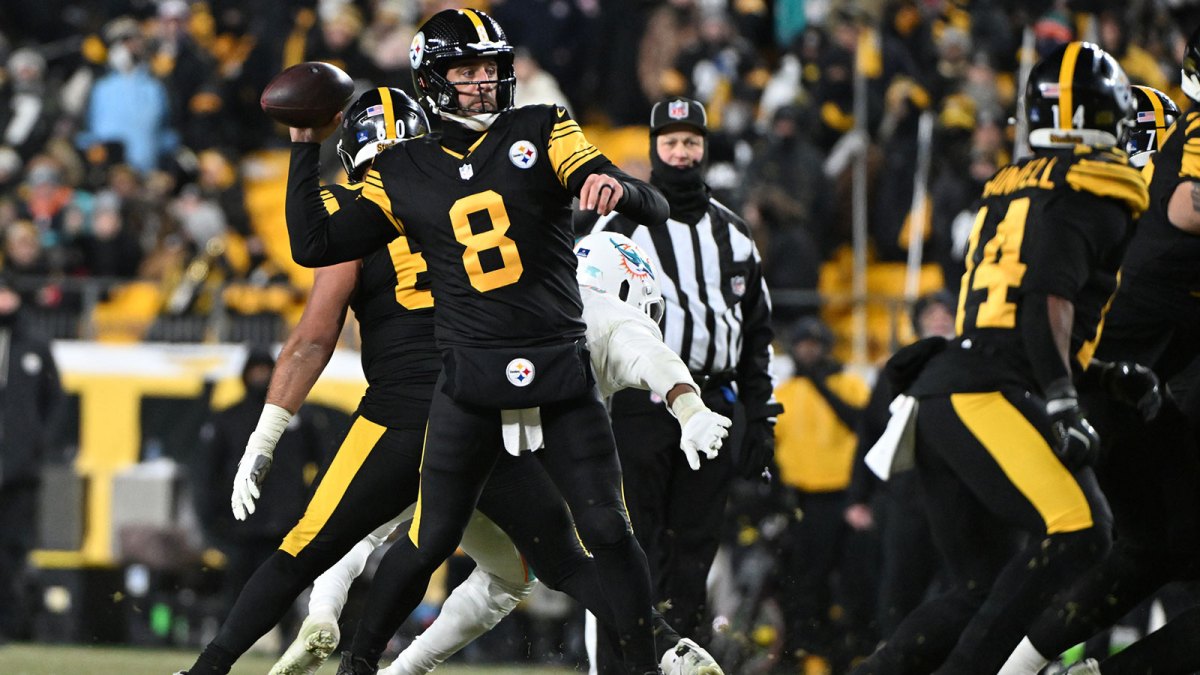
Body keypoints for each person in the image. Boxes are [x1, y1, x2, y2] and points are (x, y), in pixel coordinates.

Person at [180, 87, 719, 675]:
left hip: (403, 410)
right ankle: (666, 645)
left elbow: (313, 336)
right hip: (479, 401)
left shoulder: (361, 206)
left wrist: (265, 435)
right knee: (563, 558)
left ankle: (224, 667)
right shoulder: (465, 186)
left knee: (312, 549)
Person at [284, 10, 673, 673]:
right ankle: (359, 664)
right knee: (430, 537)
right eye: (466, 70)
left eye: (491, 68)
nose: (484, 81)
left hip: (557, 370)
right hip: (470, 379)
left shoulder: (542, 127)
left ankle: (647, 663)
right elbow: (316, 243)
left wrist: (622, 190)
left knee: (606, 527)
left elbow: (647, 201)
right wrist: (302, 145)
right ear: (433, 79)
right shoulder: (402, 167)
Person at [265, 230, 729, 675]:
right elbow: (652, 357)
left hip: (451, 431)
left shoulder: (523, 283)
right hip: (514, 463)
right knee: (542, 568)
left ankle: (330, 622)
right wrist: (689, 407)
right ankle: (662, 645)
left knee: (374, 531)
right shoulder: (607, 312)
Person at [850, 41, 1148, 674]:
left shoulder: (1010, 186)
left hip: (948, 390)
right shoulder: (1089, 190)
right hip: (985, 392)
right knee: (1082, 529)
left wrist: (1097, 376)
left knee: (980, 587)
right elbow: (1044, 298)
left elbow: (1012, 315)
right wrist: (1063, 400)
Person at [998, 75, 1200, 675]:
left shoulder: (1069, 196)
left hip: (1079, 390)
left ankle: (1019, 668)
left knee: (1144, 554)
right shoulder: (1149, 201)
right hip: (1116, 394)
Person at [581, 97, 780, 672]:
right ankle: (619, 667)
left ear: (704, 148)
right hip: (640, 405)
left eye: (691, 142)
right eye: (670, 142)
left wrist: (760, 418)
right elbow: (587, 316)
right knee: (632, 543)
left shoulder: (734, 232)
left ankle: (682, 664)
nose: (681, 152)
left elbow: (757, 333)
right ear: (654, 149)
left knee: (694, 551)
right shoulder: (619, 225)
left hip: (713, 402)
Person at [843, 291, 956, 642]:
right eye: (931, 314)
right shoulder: (897, 369)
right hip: (907, 495)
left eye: (945, 313)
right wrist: (858, 496)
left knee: (958, 584)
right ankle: (895, 651)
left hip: (958, 495)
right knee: (900, 583)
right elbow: (871, 433)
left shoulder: (971, 366)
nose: (939, 319)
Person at [194, 346, 325, 623]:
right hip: (241, 526)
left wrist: (309, 506)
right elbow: (206, 475)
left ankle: (283, 638)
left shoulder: (299, 418)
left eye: (266, 371)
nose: (260, 377)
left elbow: (325, 462)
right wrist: (213, 520)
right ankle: (229, 639)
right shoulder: (228, 419)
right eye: (256, 371)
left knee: (282, 591)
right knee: (238, 592)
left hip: (286, 524)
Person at [771, 316, 871, 671]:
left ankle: (859, 651)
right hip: (806, 501)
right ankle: (813, 653)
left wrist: (821, 383)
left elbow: (863, 426)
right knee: (809, 582)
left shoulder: (850, 384)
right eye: (802, 345)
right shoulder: (784, 393)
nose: (809, 351)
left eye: (815, 345)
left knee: (858, 580)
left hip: (850, 499)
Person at [0, 280, 63, 642]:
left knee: (12, 550)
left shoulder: (34, 344)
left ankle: (9, 626)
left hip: (19, 472)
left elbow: (55, 400)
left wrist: (36, 444)